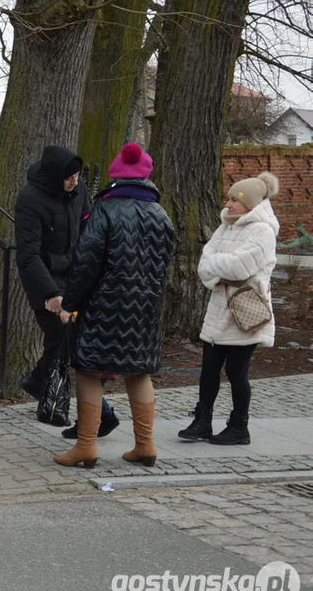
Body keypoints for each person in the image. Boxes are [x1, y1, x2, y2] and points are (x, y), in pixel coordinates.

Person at [54, 143, 174, 469]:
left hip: (104, 307)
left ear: (116, 175)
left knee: (89, 371)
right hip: (146, 309)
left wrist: (71, 302)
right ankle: (146, 445)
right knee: (138, 372)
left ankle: (86, 447)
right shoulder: (161, 215)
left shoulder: (106, 210)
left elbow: (86, 262)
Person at [13, 145, 120, 435]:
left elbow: (87, 233)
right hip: (44, 278)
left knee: (65, 339)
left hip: (74, 275)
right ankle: (100, 413)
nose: (75, 181)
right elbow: (28, 255)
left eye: (77, 176)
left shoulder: (79, 190)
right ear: (53, 176)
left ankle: (39, 384)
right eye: (69, 177)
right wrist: (50, 294)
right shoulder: (30, 199)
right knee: (65, 337)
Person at [181, 172, 280, 446]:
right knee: (209, 368)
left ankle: (239, 426)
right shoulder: (225, 226)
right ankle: (202, 420)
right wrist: (221, 271)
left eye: (233, 199)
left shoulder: (262, 231)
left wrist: (221, 267)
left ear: (248, 202)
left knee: (237, 372)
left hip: (244, 313)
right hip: (218, 309)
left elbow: (240, 268)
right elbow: (205, 264)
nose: (228, 204)